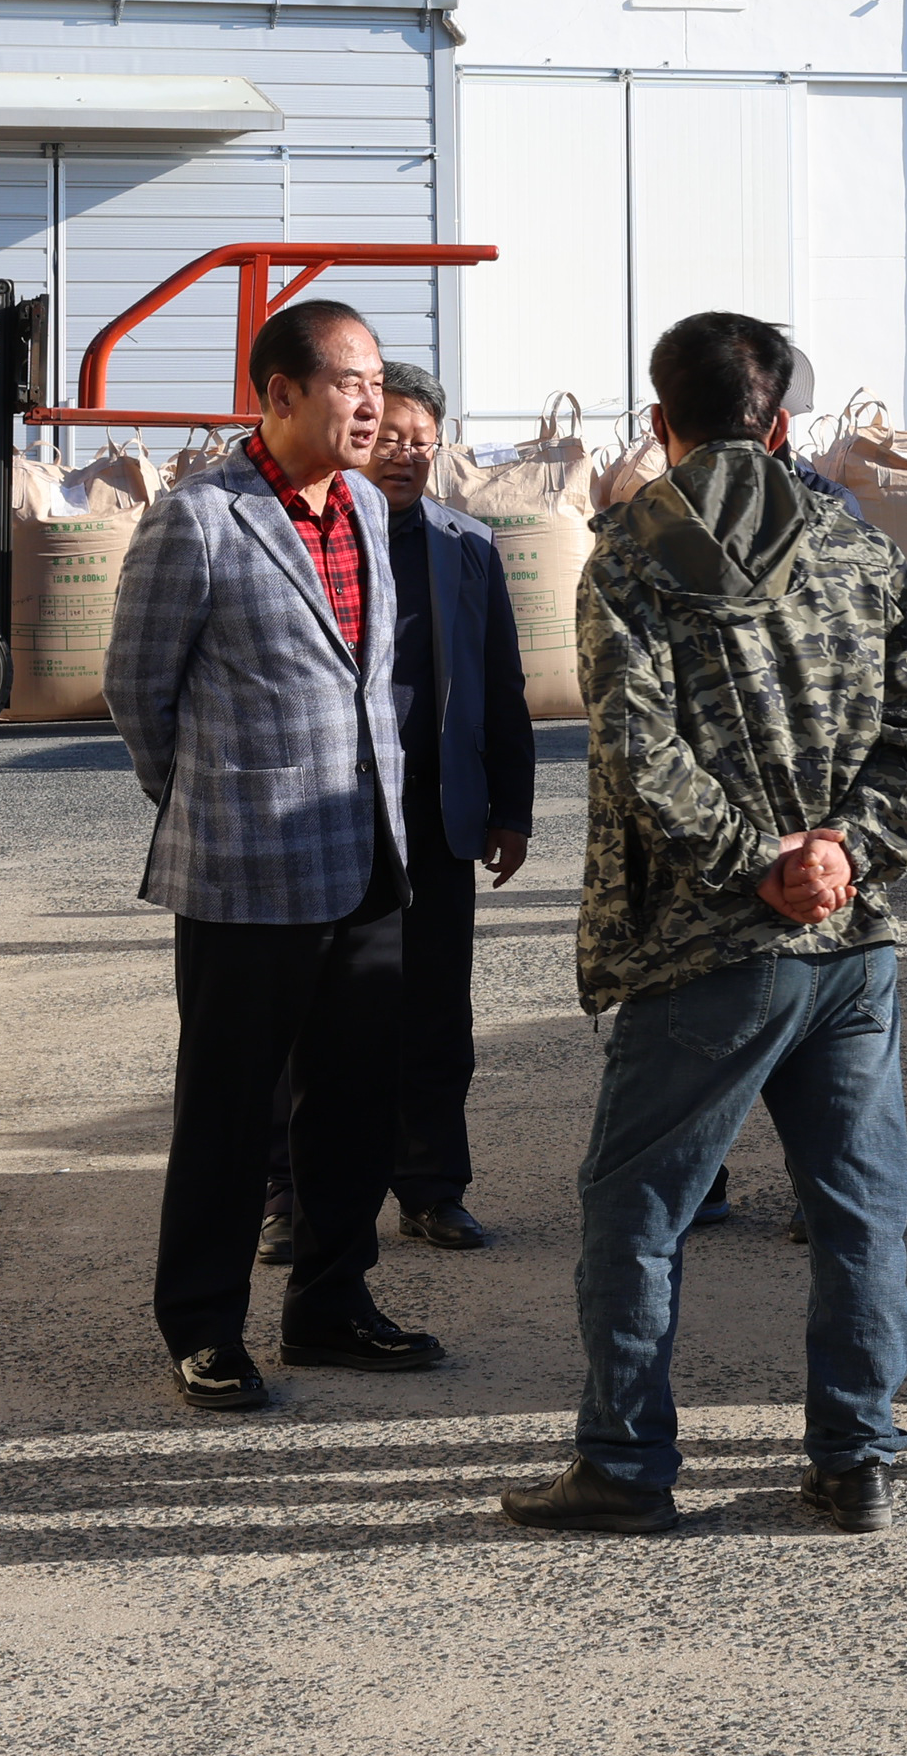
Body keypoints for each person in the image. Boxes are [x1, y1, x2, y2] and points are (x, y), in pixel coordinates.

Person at [501, 310, 907, 1538]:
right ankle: (857, 1455)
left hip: (705, 948)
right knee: (858, 1209)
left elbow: (641, 757)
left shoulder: (630, 563)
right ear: (782, 420)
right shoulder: (860, 544)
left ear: (660, 421)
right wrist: (849, 851)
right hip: (849, 946)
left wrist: (764, 867)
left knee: (638, 1207)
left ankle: (626, 1463)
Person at [107, 298, 444, 1415]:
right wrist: (208, 798)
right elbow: (137, 689)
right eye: (349, 380)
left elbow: (368, 680)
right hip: (242, 870)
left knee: (353, 1100)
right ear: (280, 393)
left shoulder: (362, 504)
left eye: (376, 377)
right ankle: (202, 1325)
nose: (371, 401)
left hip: (365, 857)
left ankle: (331, 1303)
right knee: (230, 1109)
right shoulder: (199, 519)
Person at [257, 361, 531, 1263]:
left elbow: (501, 686)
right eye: (392, 438)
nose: (406, 456)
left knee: (435, 1016)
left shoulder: (467, 546)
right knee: (309, 1014)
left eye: (423, 441)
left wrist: (510, 807)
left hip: (436, 814)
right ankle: (291, 1199)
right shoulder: (314, 538)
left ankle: (431, 1188)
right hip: (328, 812)